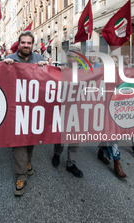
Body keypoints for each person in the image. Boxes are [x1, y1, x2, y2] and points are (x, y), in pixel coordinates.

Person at [4, 31, 48, 196]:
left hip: (34, 108)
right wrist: (4, 68)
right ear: (19, 43)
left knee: (31, 138)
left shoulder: (39, 59)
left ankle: (28, 162)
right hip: (16, 109)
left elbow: (48, 81)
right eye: (23, 43)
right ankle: (21, 175)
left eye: (29, 43)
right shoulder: (10, 60)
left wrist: (46, 69)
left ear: (32, 44)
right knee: (18, 141)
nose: (26, 45)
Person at [52, 47, 83, 178]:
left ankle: (71, 163)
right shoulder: (60, 71)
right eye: (74, 56)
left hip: (79, 110)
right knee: (61, 136)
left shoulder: (87, 73)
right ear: (68, 58)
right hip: (63, 108)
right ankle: (57, 153)